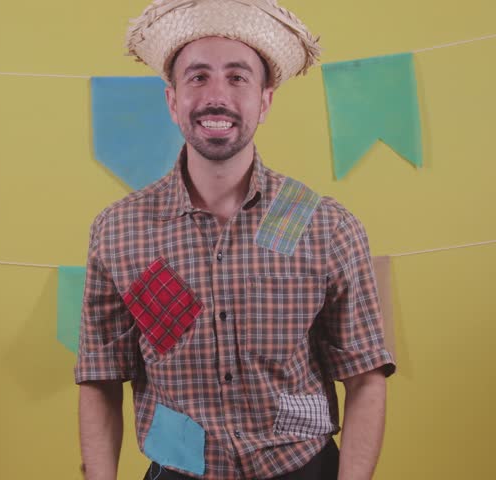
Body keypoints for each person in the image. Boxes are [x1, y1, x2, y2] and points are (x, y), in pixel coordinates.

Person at [75, 1, 396, 479]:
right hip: (176, 469)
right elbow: (99, 379)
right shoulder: (120, 231)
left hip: (302, 466)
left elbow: (366, 377)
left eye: (238, 76)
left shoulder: (326, 225)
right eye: (198, 77)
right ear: (172, 100)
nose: (216, 95)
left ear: (265, 101)